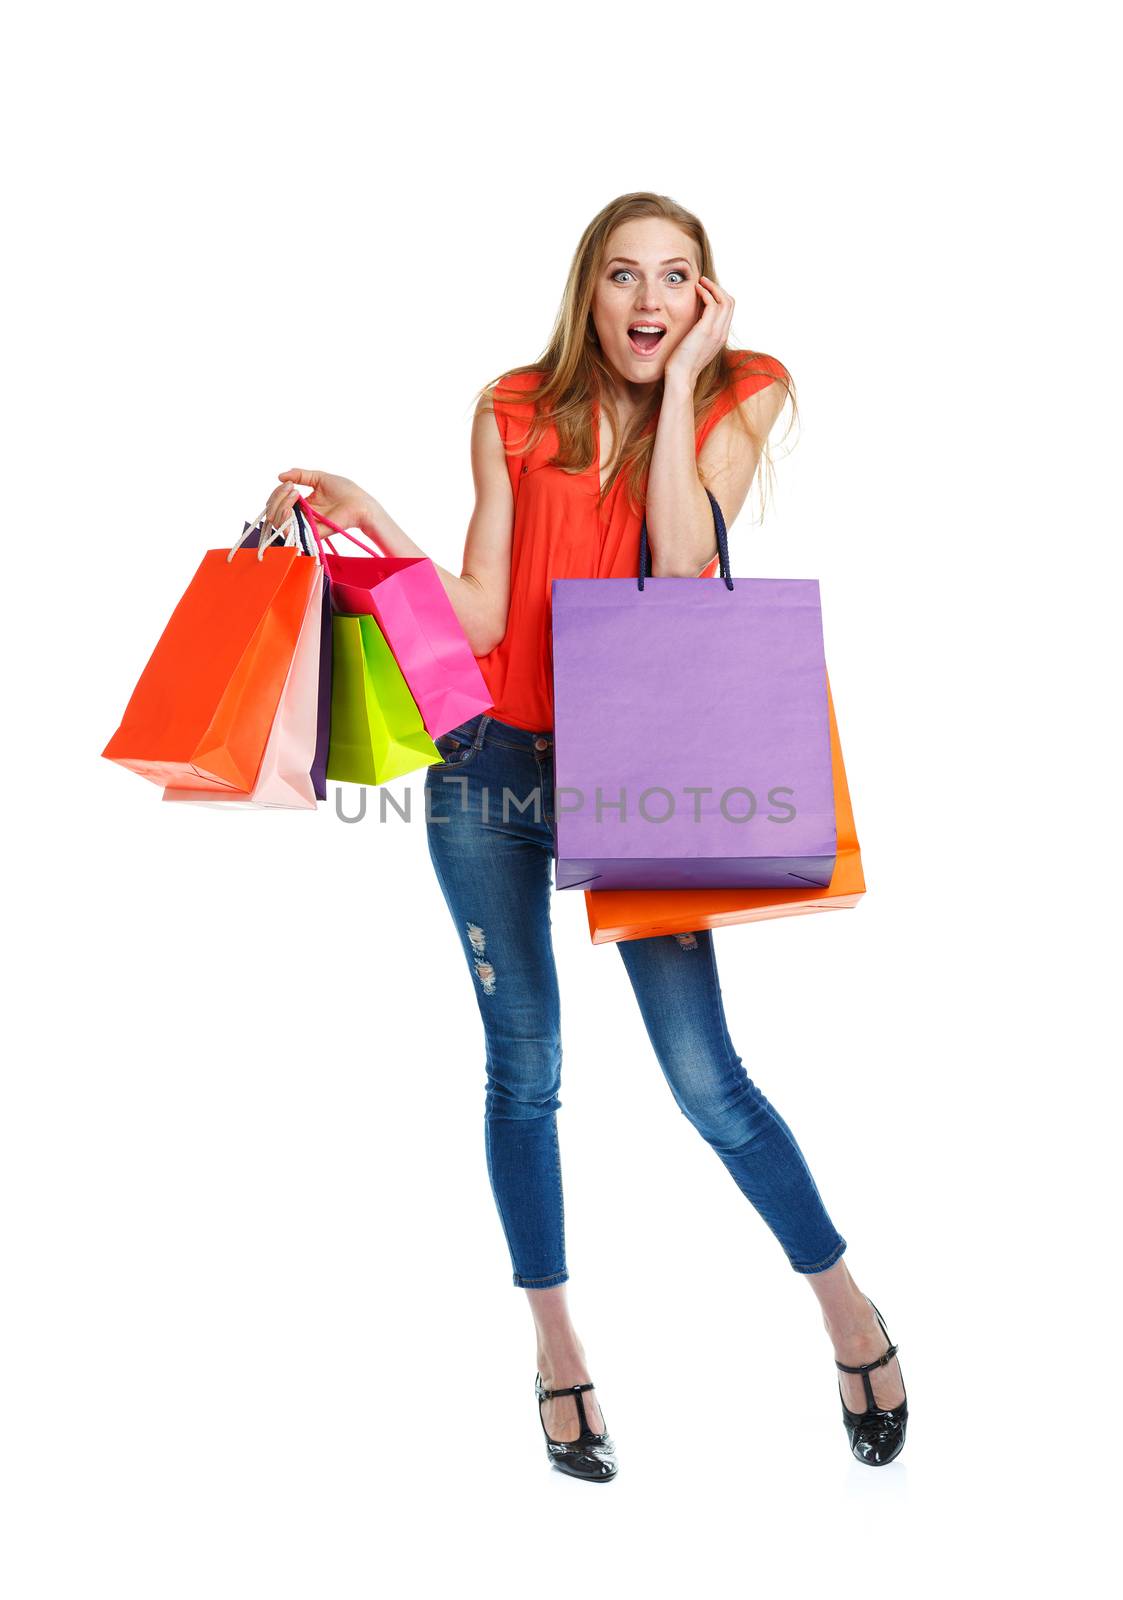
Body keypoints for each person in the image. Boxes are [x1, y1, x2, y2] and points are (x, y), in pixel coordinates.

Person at [261, 192, 907, 1483]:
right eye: (625, 277)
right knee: (526, 1065)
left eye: (677, 280)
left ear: (707, 300)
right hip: (490, 761)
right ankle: (557, 1348)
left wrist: (677, 396)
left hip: (646, 763)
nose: (648, 302)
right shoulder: (511, 407)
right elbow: (485, 614)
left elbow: (679, 560)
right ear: (587, 290)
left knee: (705, 1078)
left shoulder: (744, 394)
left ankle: (846, 1305)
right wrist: (371, 520)